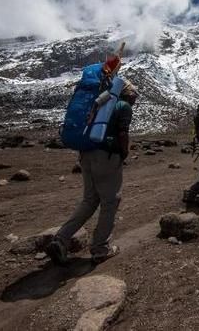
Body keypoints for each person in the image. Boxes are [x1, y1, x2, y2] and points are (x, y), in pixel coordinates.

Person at [47, 58, 138, 265]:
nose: (135, 98)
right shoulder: (123, 106)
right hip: (106, 156)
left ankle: (60, 239)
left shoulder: (101, 100)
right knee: (110, 201)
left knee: (89, 200)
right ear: (126, 92)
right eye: (134, 94)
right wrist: (123, 153)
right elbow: (123, 133)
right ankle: (100, 248)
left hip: (86, 153)